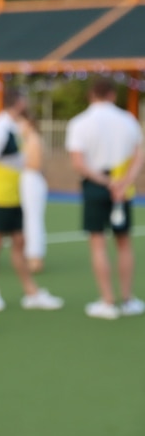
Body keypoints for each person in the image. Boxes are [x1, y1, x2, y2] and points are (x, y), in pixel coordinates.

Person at [0, 90, 62, 312]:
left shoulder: (15, 126)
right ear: (19, 102)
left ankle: (31, 292)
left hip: (15, 194)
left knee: (19, 242)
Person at [66, 78, 144, 319]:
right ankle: (128, 299)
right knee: (123, 242)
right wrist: (124, 182)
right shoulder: (128, 119)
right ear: (112, 94)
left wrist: (104, 181)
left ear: (91, 95)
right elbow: (139, 154)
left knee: (98, 242)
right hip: (121, 186)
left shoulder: (80, 123)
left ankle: (108, 301)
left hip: (96, 185)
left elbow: (79, 163)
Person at [17, 111, 47, 273]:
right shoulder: (28, 139)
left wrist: (18, 163)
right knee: (29, 219)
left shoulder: (33, 139)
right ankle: (31, 254)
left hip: (32, 180)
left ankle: (35, 256)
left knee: (33, 219)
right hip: (28, 180)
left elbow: (35, 164)